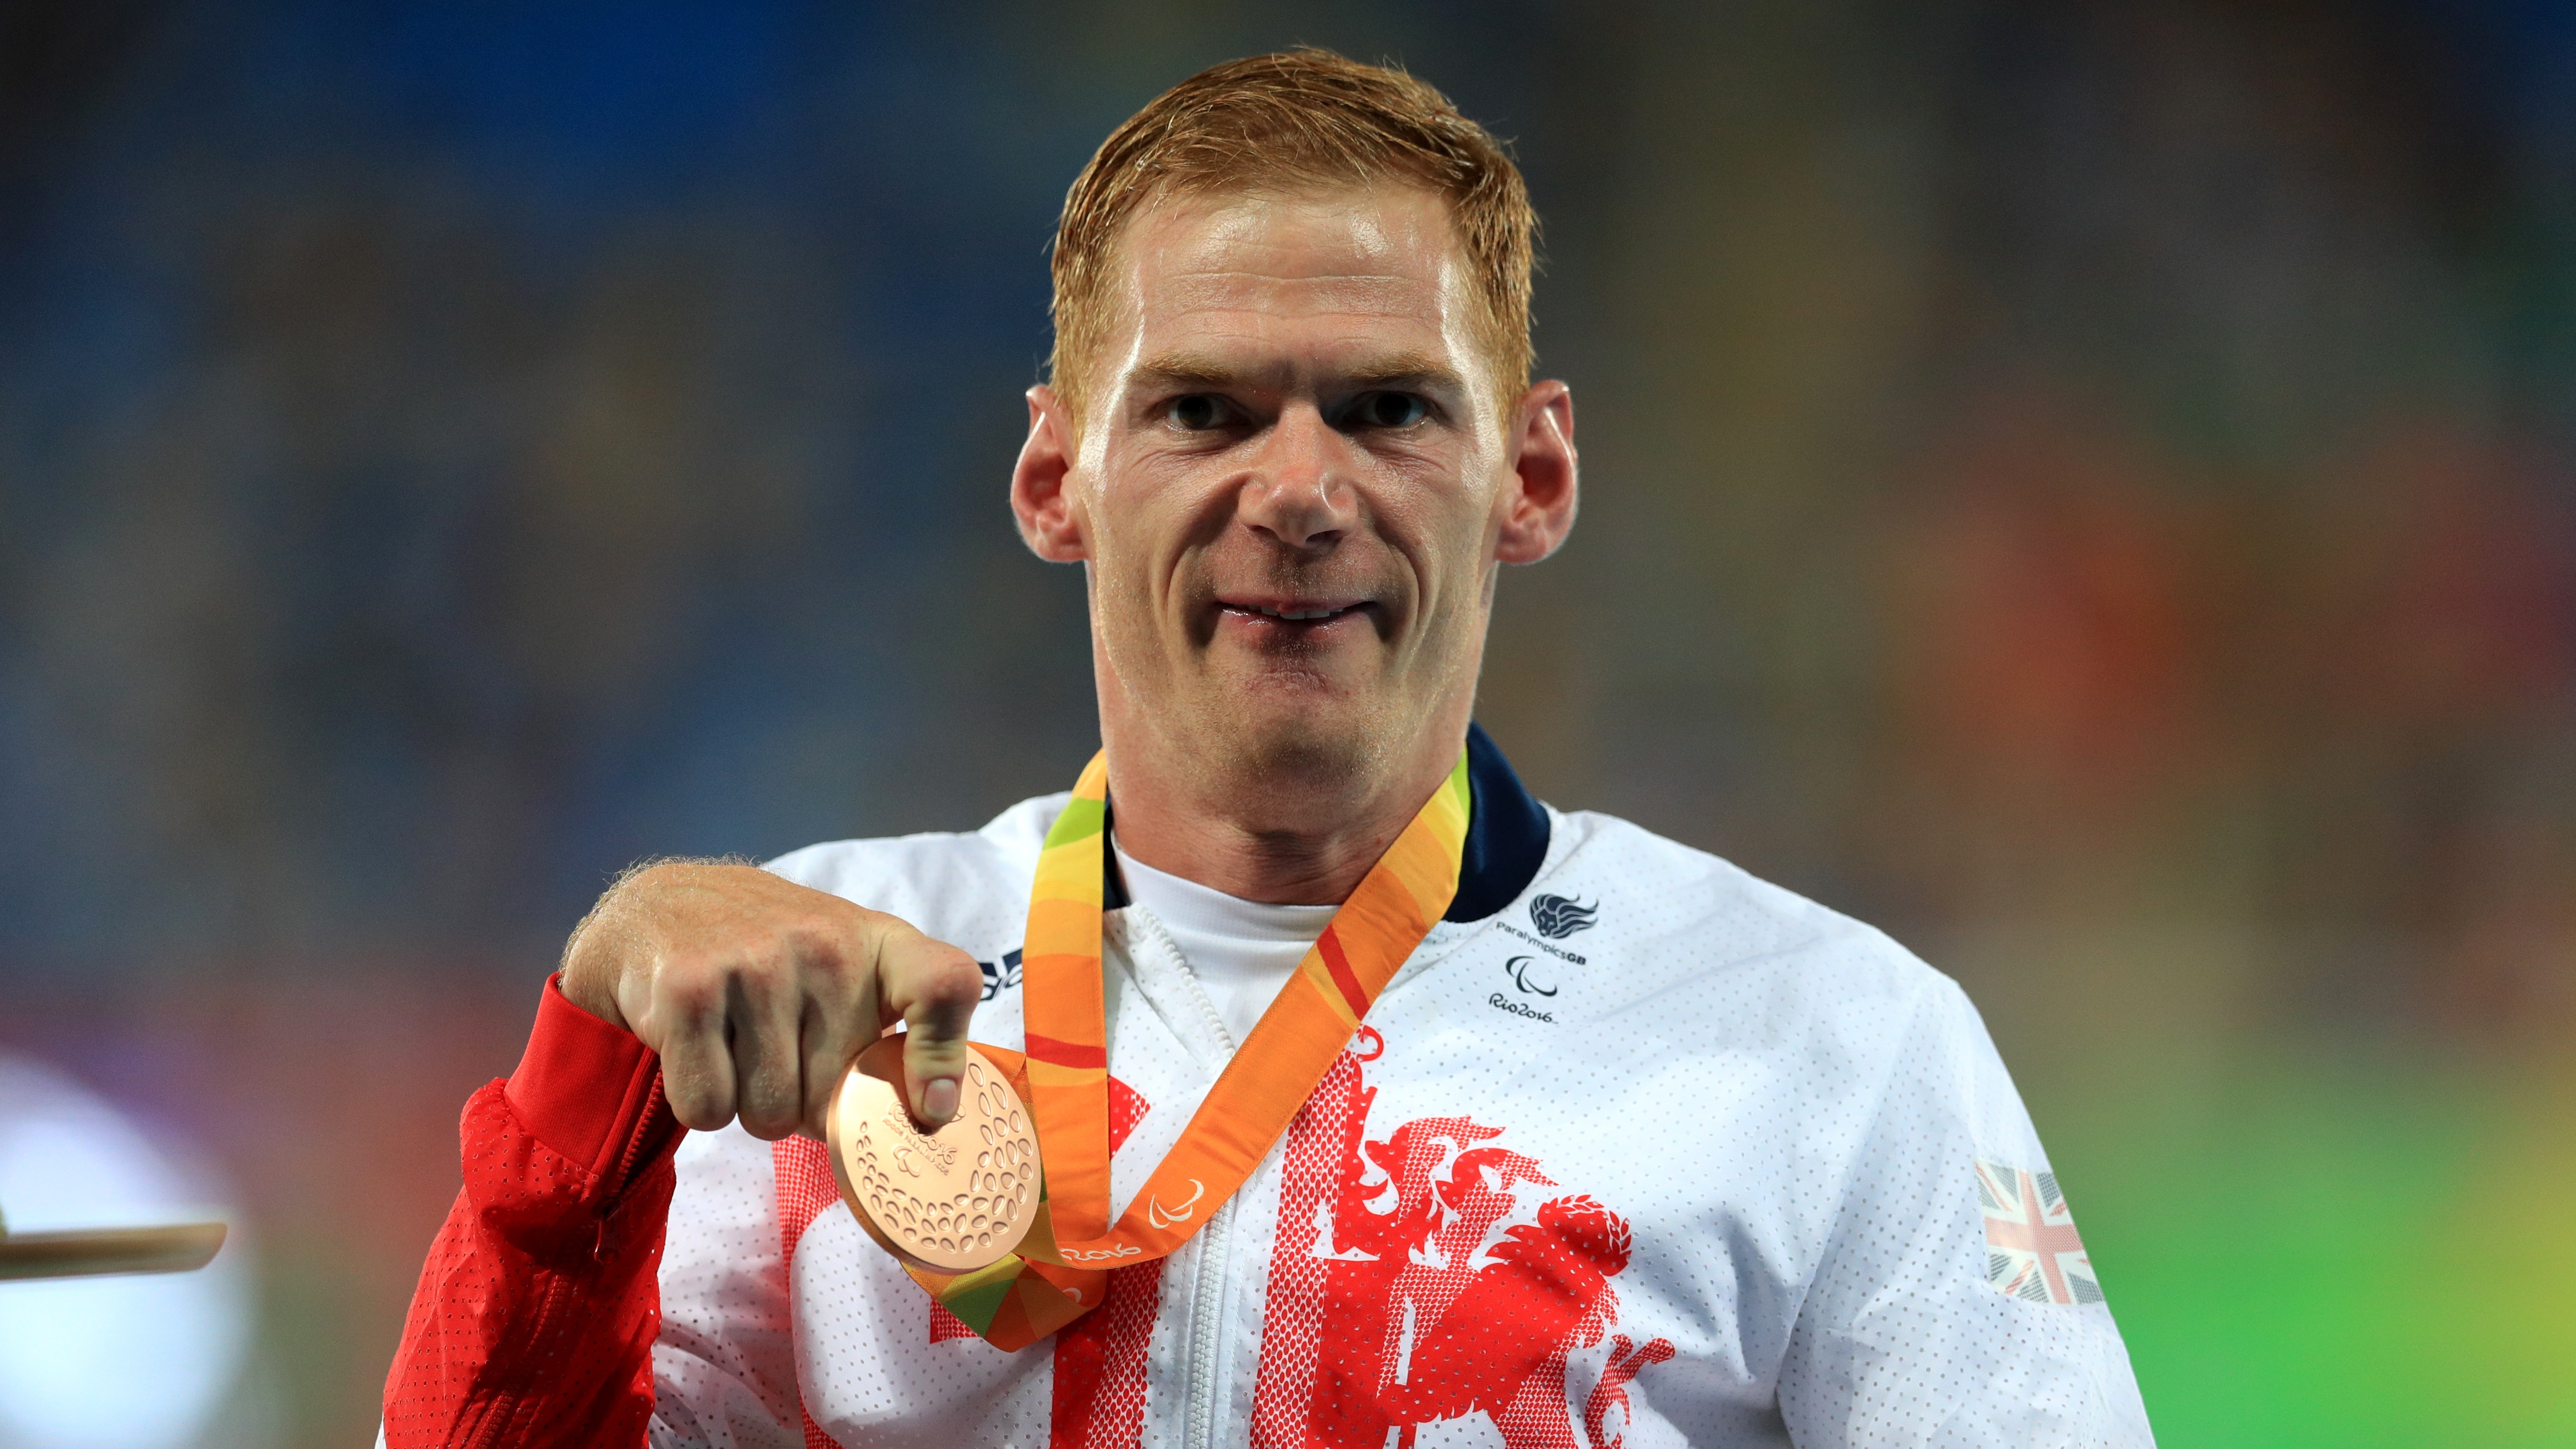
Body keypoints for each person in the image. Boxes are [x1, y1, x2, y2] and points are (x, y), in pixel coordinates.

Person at [381, 48, 2154, 1448]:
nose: (1299, 491)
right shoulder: (791, 1005)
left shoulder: (1829, 1045)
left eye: (1388, 409)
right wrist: (595, 1073)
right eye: (1203, 410)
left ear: (1531, 477)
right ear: (1056, 478)